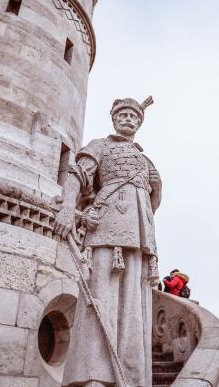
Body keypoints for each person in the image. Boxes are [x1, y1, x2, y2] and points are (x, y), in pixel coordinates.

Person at [54, 97, 162, 387]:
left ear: (139, 123)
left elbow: (154, 198)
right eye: (123, 115)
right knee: (100, 299)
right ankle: (93, 376)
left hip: (140, 238)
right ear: (114, 119)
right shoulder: (100, 145)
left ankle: (131, 376)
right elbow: (77, 174)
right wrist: (67, 209)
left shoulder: (145, 160)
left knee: (133, 307)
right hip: (105, 231)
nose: (128, 119)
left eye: (134, 116)